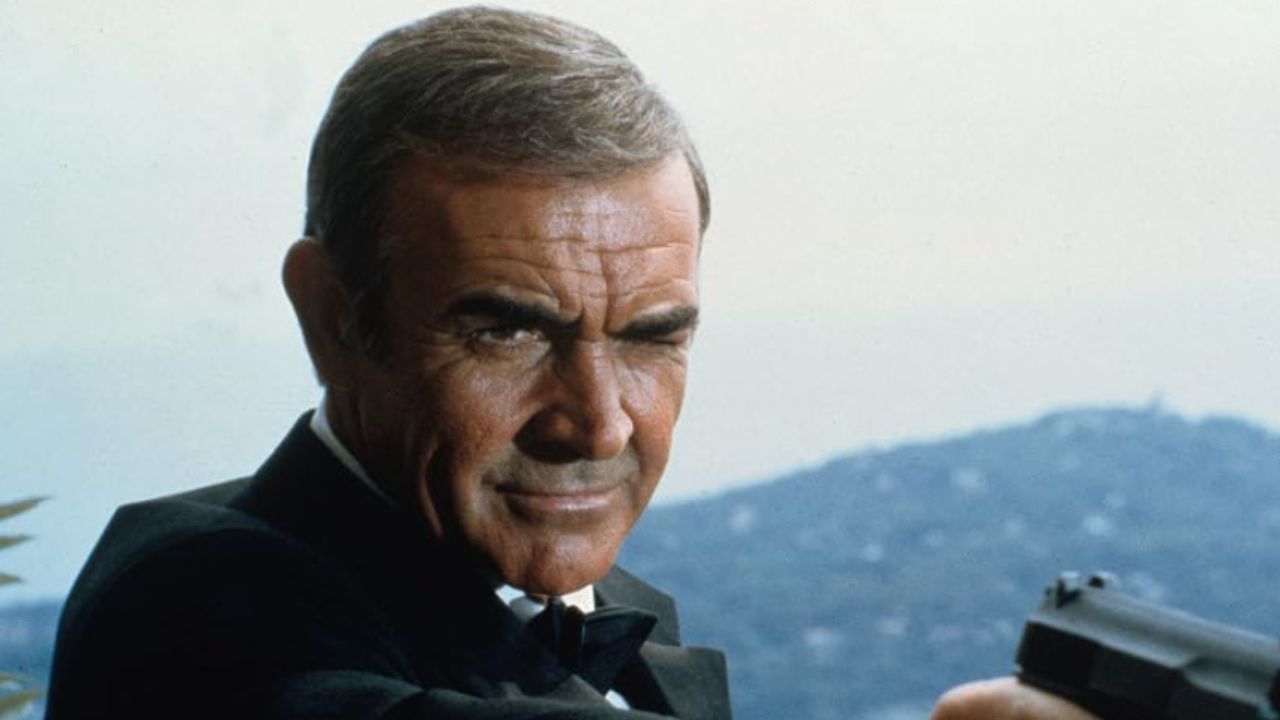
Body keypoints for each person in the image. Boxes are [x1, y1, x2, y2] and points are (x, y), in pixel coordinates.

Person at [46, 6, 1099, 720]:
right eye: (506, 332)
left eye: (651, 336)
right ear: (333, 316)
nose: (597, 422)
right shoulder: (193, 605)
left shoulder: (623, 619)